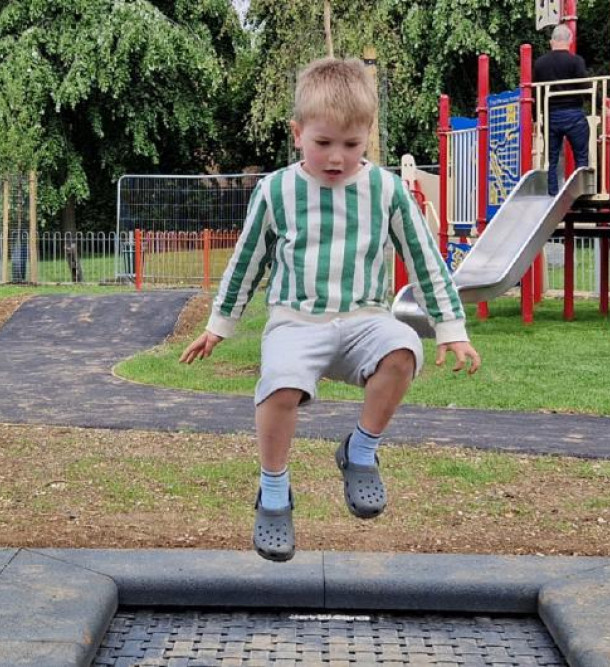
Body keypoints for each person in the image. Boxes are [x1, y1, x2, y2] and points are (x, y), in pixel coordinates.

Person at [179, 57, 481, 562]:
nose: (337, 158)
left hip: (365, 318)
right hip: (296, 320)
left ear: (367, 136)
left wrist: (450, 327)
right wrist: (219, 325)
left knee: (403, 349)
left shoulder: (385, 190)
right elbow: (246, 261)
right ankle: (274, 490)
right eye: (323, 144)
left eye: (351, 144)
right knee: (279, 384)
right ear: (298, 134)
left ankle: (360, 451)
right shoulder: (276, 190)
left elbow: (424, 257)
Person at [533, 24, 590, 196]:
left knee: (553, 157)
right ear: (570, 41)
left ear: (552, 42)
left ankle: (552, 192)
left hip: (551, 116)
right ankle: (581, 190)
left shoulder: (540, 63)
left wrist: (536, 118)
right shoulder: (576, 61)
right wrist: (602, 106)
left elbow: (536, 92)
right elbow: (586, 86)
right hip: (573, 114)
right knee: (581, 155)